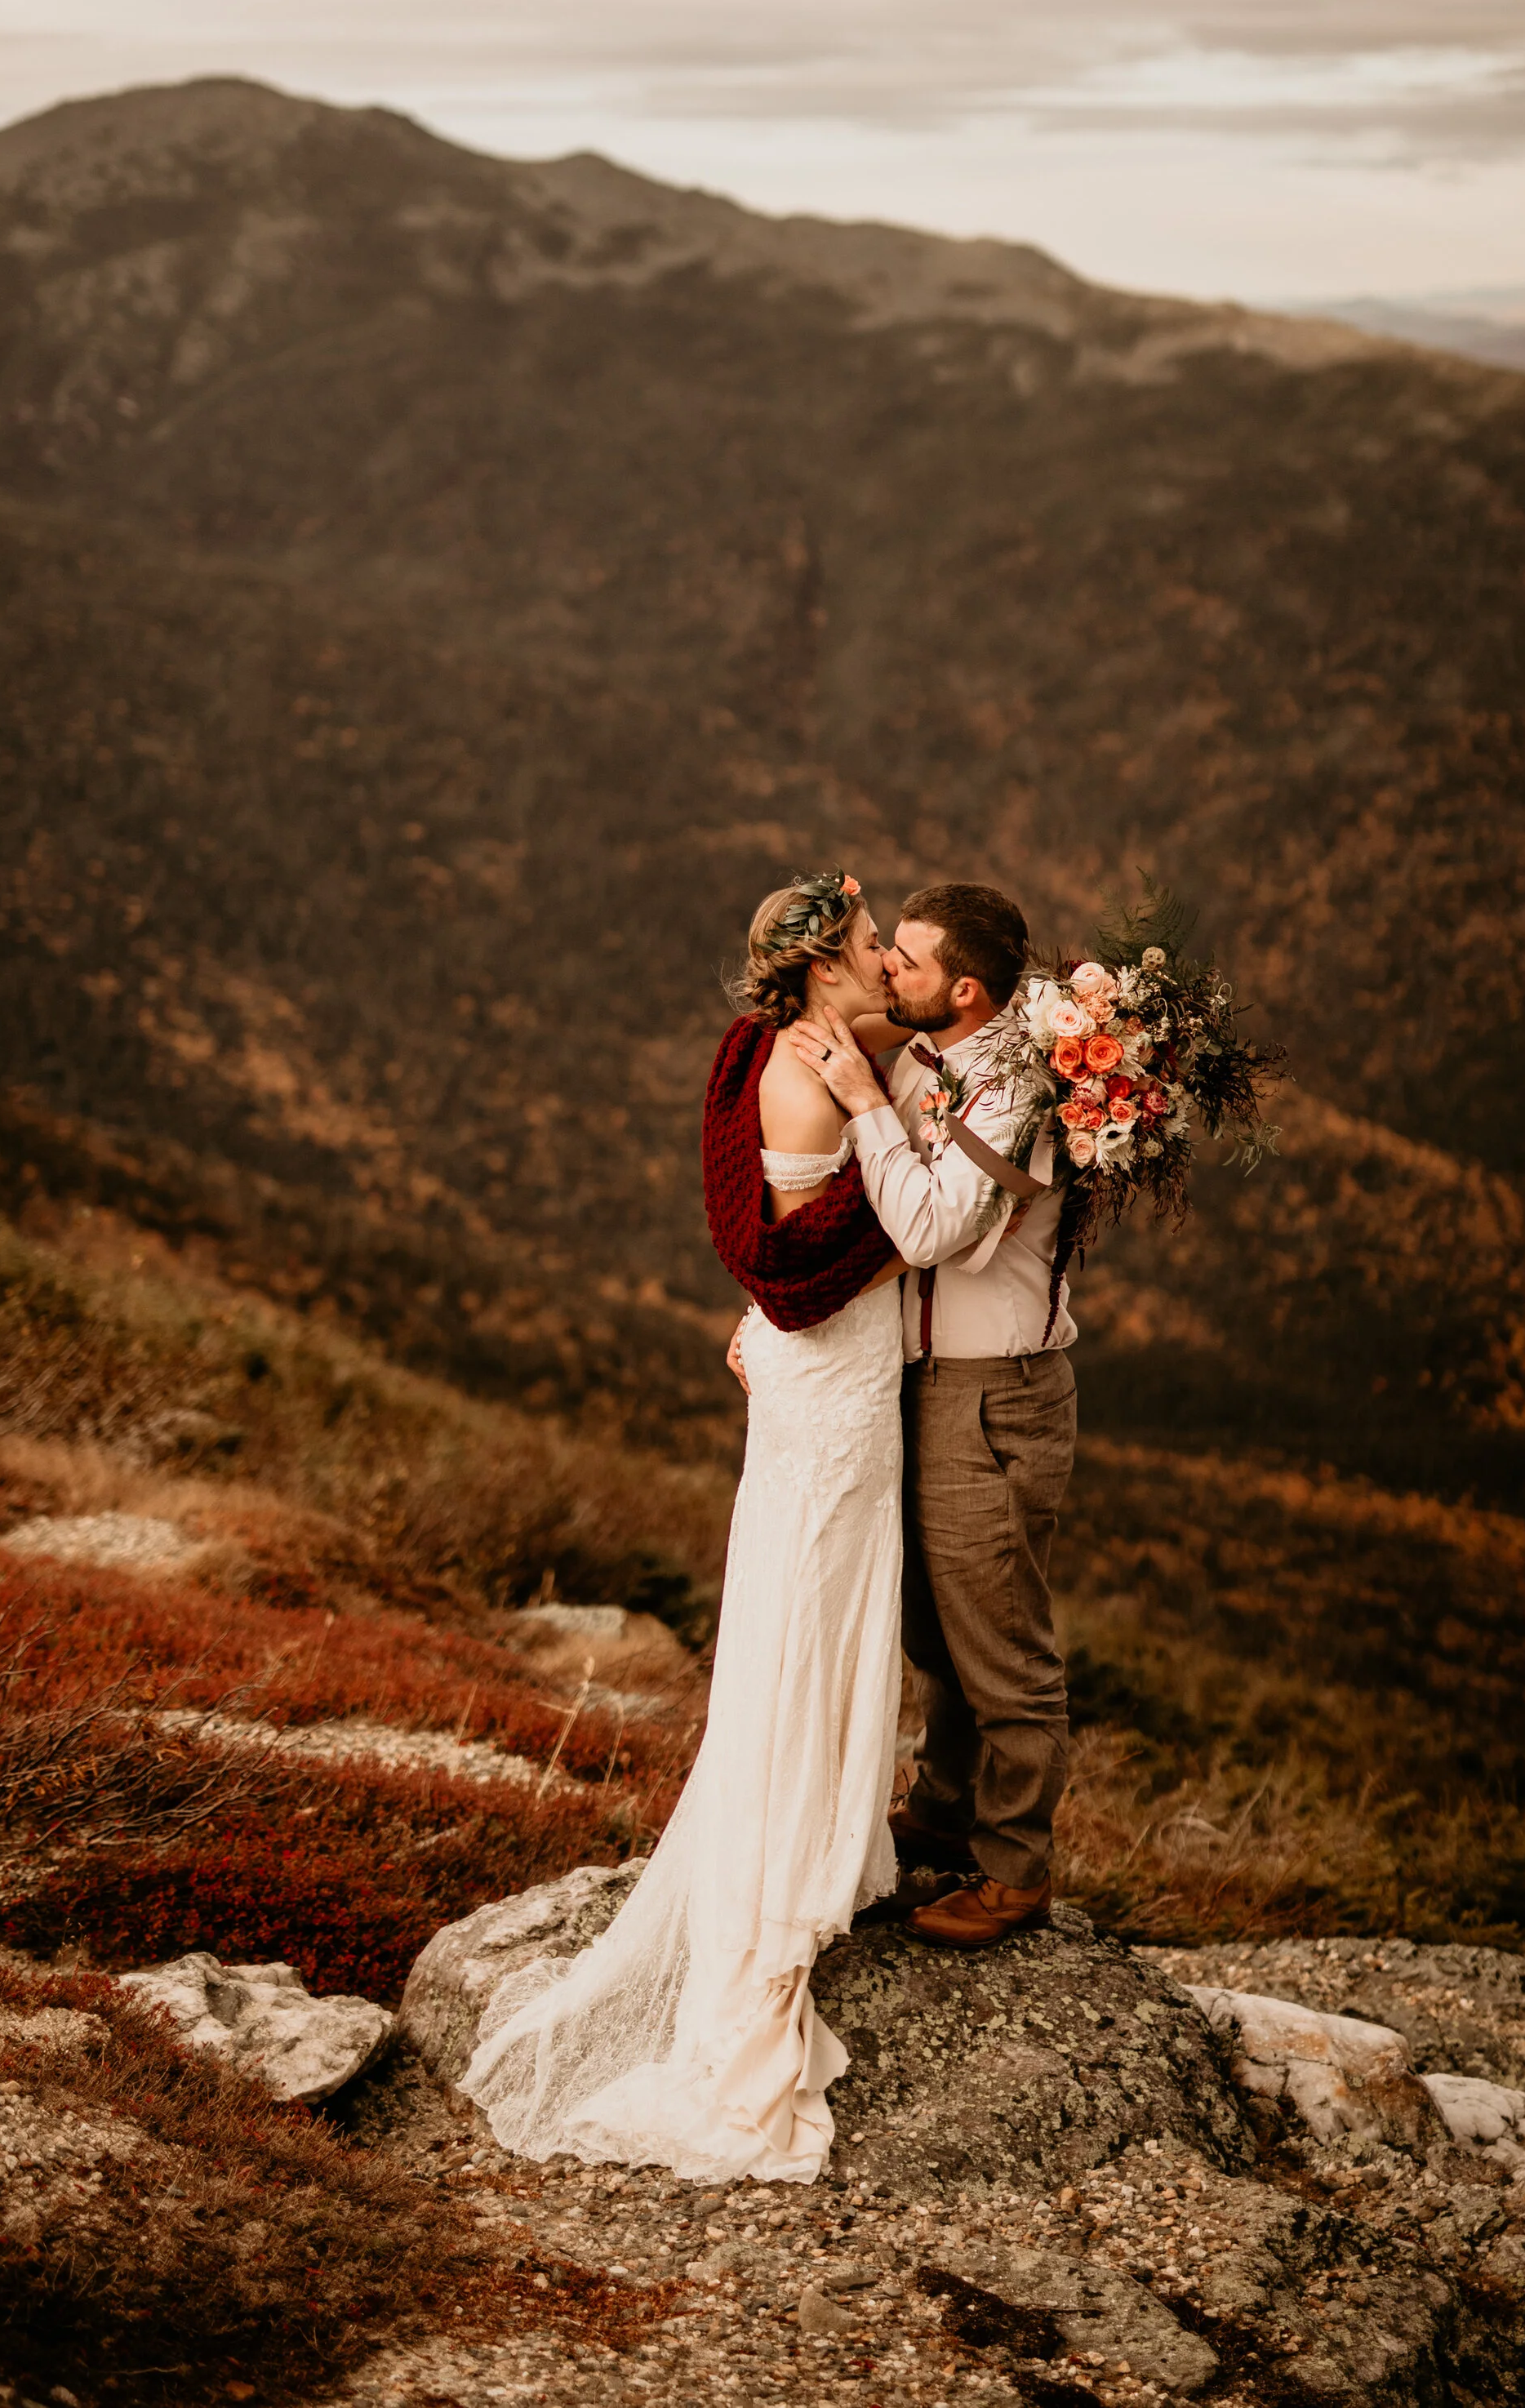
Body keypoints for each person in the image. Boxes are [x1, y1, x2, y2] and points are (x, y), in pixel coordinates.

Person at [460, 870, 914, 2183]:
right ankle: (783, 1896)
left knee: (809, 1603)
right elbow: (848, 1242)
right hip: (833, 1389)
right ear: (827, 964)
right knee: (810, 1613)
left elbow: (791, 1236)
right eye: (874, 939)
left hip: (817, 1377)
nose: (889, 957)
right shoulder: (815, 1075)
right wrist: (919, 1142)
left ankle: (836, 1847)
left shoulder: (796, 1046)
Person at [789, 881, 1076, 1953]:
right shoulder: (923, 1053)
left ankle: (1014, 1872)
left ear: (964, 988)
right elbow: (852, 1198)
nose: (886, 971)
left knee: (1000, 1641)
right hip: (918, 1380)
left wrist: (864, 1102)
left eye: (903, 959)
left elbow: (921, 1230)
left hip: (996, 1389)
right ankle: (944, 1808)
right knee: (932, 1627)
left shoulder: (1015, 1086)